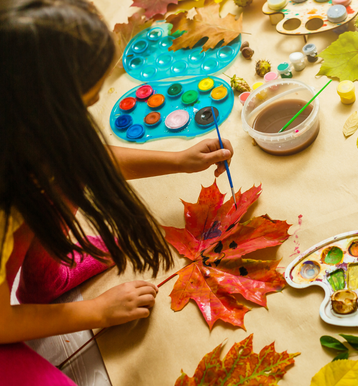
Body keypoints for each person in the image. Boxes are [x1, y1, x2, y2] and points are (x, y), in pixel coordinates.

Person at [0, 0, 234, 384]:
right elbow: (1, 322)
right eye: (87, 102)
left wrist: (177, 160)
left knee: (68, 167)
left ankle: (41, 280)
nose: (94, 107)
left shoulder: (19, 125)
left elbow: (79, 155)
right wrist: (97, 311)